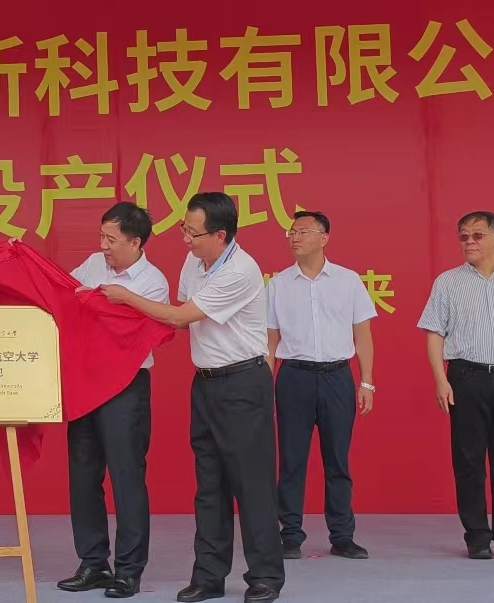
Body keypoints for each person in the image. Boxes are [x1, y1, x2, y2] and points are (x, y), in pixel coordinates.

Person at [101, 192, 283, 603]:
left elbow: (180, 315)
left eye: (193, 233)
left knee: (251, 484)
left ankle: (266, 576)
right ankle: (209, 575)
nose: (185, 239)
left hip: (243, 383)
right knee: (209, 485)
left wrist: (126, 297)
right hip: (206, 383)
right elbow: (183, 315)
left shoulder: (240, 270)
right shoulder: (194, 260)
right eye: (184, 229)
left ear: (220, 235)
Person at [53, 201, 169, 599]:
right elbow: (64, 297)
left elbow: (124, 323)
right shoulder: (92, 265)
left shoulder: (152, 283)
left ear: (135, 243)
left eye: (111, 239)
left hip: (125, 387)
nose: (102, 246)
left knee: (126, 475)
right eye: (101, 236)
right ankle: (93, 563)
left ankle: (129, 570)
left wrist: (106, 301)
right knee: (83, 475)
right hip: (86, 382)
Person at [417, 210, 494, 560]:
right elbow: (434, 333)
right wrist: (441, 379)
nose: (469, 241)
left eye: (477, 235)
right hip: (466, 377)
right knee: (468, 461)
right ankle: (478, 537)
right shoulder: (448, 282)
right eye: (464, 236)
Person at [265, 211, 375, 561]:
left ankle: (342, 536)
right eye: (291, 232)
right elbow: (270, 341)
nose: (295, 237)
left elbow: (363, 335)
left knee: (337, 460)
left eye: (303, 231)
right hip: (293, 377)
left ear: (324, 238)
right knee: (291, 461)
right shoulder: (278, 285)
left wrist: (367, 381)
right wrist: (265, 386)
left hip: (337, 377)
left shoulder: (348, 281)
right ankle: (290, 536)